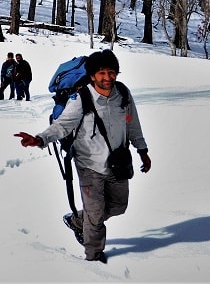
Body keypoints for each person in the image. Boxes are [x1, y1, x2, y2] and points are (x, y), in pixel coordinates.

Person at [13, 50, 151, 264]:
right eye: (102, 73)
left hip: (118, 163)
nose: (107, 78)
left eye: (112, 72)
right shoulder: (81, 97)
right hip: (89, 165)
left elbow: (132, 124)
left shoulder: (123, 93)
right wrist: (40, 139)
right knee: (95, 216)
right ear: (93, 75)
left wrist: (142, 150)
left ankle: (78, 220)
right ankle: (94, 259)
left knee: (118, 206)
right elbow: (63, 125)